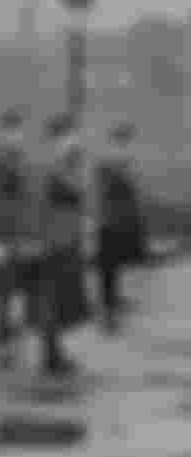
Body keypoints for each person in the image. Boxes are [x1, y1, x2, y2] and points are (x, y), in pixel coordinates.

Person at [0, 109, 39, 371]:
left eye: (17, 132)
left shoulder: (23, 160)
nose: (14, 136)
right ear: (2, 133)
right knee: (4, 289)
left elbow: (29, 197)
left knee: (23, 287)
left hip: (23, 232)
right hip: (5, 234)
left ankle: (13, 334)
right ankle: (1, 338)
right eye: (10, 132)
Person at [35, 114, 91, 377]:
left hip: (67, 238)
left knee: (58, 299)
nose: (72, 141)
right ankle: (51, 357)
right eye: (68, 137)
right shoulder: (52, 167)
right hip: (54, 240)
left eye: (72, 136)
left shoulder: (67, 164)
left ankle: (53, 354)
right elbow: (72, 190)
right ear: (56, 139)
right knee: (52, 299)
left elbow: (80, 191)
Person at [95, 122, 147, 334]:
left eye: (126, 142)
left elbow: (133, 193)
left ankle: (114, 300)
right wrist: (125, 174)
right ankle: (107, 313)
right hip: (108, 222)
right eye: (121, 142)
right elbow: (106, 192)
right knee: (108, 268)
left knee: (115, 265)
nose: (125, 146)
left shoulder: (125, 164)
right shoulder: (106, 166)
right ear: (113, 143)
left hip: (122, 222)